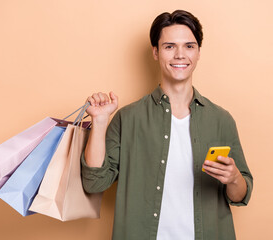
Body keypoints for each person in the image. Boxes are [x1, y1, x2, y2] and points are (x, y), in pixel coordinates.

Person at [81, 10, 253, 240]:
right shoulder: (128, 118)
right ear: (155, 52)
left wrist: (233, 179)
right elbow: (94, 183)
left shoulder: (221, 120)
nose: (180, 55)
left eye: (189, 46)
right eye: (169, 46)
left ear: (199, 52)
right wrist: (100, 122)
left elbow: (240, 195)